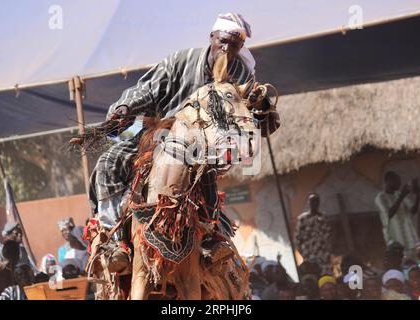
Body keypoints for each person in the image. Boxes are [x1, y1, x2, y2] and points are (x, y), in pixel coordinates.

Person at [87, 13, 280, 270]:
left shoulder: (242, 75)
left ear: (240, 47)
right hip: (158, 131)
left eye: (233, 45)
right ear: (212, 37)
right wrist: (124, 108)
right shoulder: (181, 61)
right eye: (222, 41)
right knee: (109, 160)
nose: (226, 48)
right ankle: (112, 240)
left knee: (208, 165)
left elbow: (257, 124)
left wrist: (261, 109)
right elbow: (146, 90)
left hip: (204, 146)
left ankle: (212, 235)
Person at [375, 171, 420, 259]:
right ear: (388, 181)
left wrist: (418, 195)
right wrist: (402, 196)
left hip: (410, 237)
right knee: (400, 264)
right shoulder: (380, 198)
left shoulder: (398, 194)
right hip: (396, 240)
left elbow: (413, 210)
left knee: (415, 264)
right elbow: (389, 214)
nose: (400, 183)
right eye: (397, 181)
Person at [295, 193, 332, 274]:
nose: (314, 203)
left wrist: (328, 250)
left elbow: (329, 235)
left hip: (324, 255)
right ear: (308, 202)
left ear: (319, 202)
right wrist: (305, 253)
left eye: (316, 201)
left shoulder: (324, 217)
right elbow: (297, 239)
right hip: (309, 255)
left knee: (326, 276)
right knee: (313, 275)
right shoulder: (303, 218)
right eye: (311, 201)